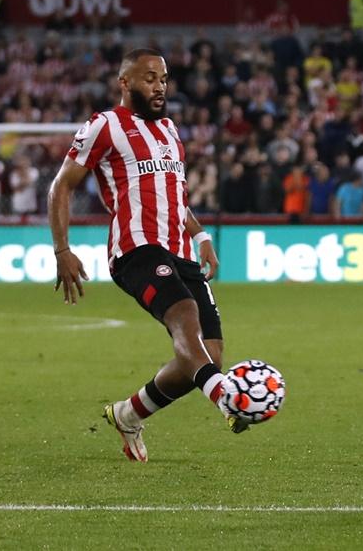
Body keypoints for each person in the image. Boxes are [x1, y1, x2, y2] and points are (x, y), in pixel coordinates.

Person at [48, 48, 246, 464]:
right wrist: (62, 249)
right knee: (185, 319)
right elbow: (61, 187)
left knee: (210, 351)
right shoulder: (104, 126)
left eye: (164, 79)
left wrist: (202, 235)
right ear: (125, 82)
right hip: (136, 248)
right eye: (149, 78)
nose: (159, 87)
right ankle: (225, 397)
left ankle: (128, 414)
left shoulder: (171, 130)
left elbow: (175, 196)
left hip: (179, 250)